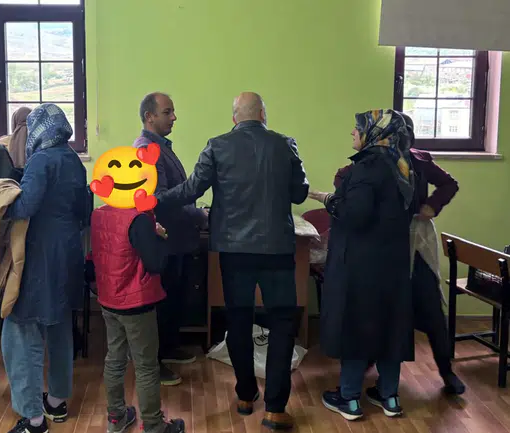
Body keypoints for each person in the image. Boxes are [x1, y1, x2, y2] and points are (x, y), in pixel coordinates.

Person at [155, 92, 308, 430]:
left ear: (234, 118)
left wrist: (155, 201)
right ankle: (276, 408)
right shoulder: (285, 144)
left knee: (238, 320)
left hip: (233, 250)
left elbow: (192, 189)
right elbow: (299, 193)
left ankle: (245, 395)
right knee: (283, 323)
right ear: (263, 115)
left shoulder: (217, 146)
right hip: (277, 250)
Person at [334, 112, 464, 395]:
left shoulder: (418, 160)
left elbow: (449, 184)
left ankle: (446, 370)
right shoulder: (368, 164)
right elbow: (344, 185)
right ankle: (370, 369)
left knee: (431, 309)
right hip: (383, 247)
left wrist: (432, 205)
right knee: (382, 308)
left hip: (415, 244)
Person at [309, 109, 415, 421]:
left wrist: (329, 200)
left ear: (375, 133)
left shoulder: (367, 168)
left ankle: (350, 398)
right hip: (394, 263)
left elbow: (355, 215)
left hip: (361, 265)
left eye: (358, 128)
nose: (353, 133)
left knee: (357, 326)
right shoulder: (403, 167)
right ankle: (389, 396)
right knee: (390, 326)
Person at [1, 104, 91, 433]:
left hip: (40, 254)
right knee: (59, 325)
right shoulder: (73, 160)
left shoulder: (41, 161)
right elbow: (84, 210)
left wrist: (0, 199)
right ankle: (56, 401)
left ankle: (33, 419)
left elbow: (25, 206)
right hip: (68, 252)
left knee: (21, 330)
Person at [133, 92, 208, 386]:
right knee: (160, 303)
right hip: (164, 239)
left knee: (172, 298)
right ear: (149, 116)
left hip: (176, 239)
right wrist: (198, 213)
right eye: (167, 112)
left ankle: (168, 348)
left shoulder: (161, 147)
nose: (174, 117)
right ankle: (154, 363)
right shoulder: (146, 149)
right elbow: (159, 199)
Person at [91, 204, 186, 433]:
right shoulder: (139, 219)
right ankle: (153, 425)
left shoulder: (99, 213)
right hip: (136, 302)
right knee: (146, 366)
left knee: (115, 359)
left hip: (108, 297)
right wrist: (160, 237)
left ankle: (116, 418)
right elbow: (156, 264)